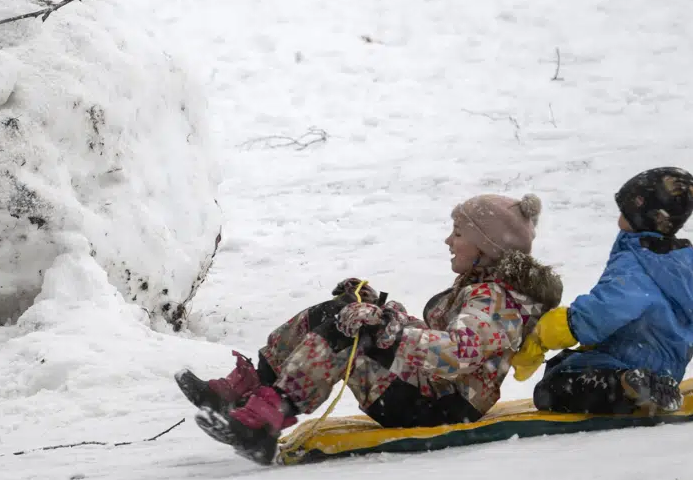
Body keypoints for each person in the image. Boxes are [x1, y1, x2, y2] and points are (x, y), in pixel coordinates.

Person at [177, 192, 562, 464]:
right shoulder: (484, 289)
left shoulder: (497, 301)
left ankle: (266, 421)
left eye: (458, 233)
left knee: (347, 336)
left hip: (438, 406)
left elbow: (456, 355)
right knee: (340, 311)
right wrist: (379, 309)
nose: (449, 240)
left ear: (485, 247)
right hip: (428, 389)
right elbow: (433, 342)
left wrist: (386, 328)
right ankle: (243, 392)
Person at [512, 167, 693, 415]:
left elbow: (605, 309)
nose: (620, 216)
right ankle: (640, 385)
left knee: (550, 390)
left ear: (645, 215)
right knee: (562, 364)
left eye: (626, 210)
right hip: (665, 360)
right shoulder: (677, 260)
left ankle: (627, 385)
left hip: (633, 356)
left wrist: (556, 328)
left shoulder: (638, 263)